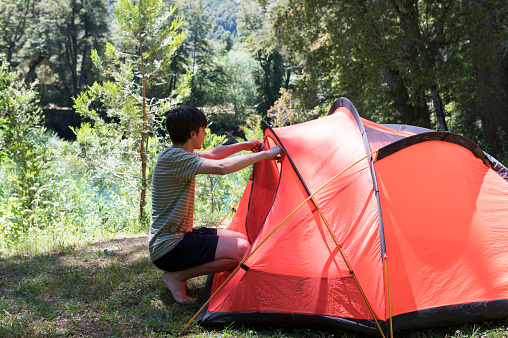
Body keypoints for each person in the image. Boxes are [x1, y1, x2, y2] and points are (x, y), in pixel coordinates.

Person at [149, 105, 283, 303]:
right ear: (192, 133)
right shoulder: (176, 159)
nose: (205, 132)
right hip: (169, 247)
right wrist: (265, 154)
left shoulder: (175, 155)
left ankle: (178, 272)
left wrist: (245, 145)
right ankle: (176, 276)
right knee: (240, 251)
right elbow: (221, 167)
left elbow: (213, 154)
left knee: (241, 240)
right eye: (202, 129)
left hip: (177, 238)